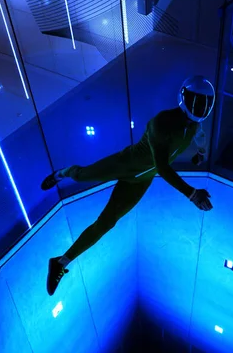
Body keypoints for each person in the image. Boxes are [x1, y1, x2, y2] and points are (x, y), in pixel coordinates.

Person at [41, 75, 215, 296]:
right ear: (184, 98)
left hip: (141, 181)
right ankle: (61, 173)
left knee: (106, 223)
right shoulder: (161, 122)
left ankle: (61, 261)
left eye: (205, 103)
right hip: (125, 164)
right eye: (197, 101)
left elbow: (200, 137)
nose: (200, 107)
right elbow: (162, 167)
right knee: (83, 175)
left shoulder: (195, 127)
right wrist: (192, 194)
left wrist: (200, 153)